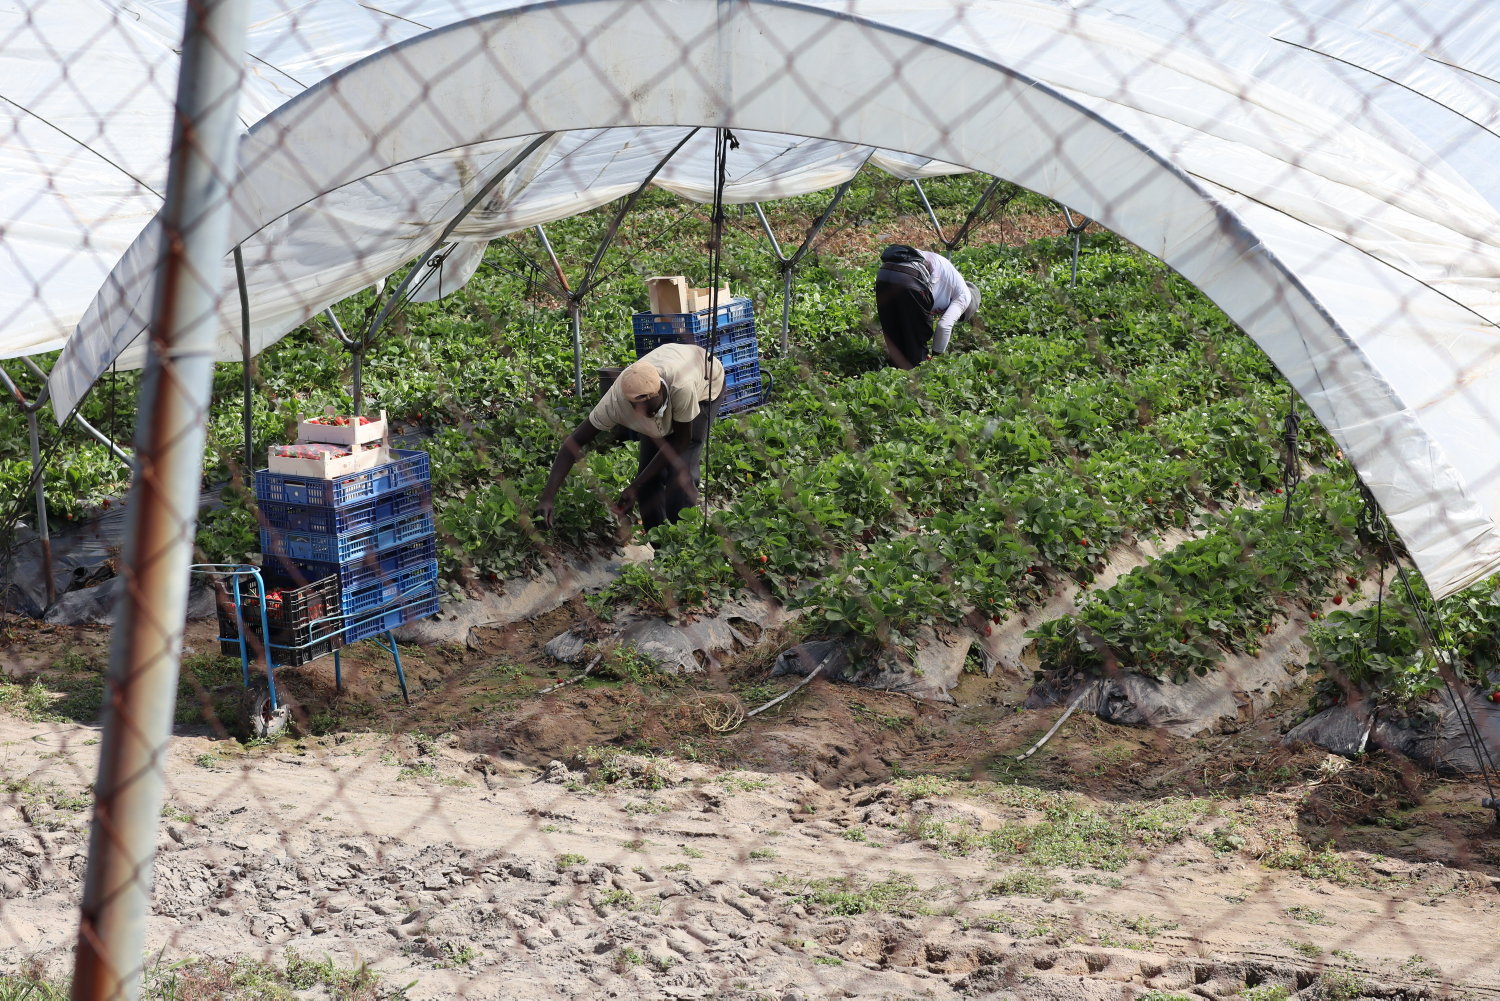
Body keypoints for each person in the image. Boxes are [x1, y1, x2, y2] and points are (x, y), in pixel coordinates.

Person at [535, 342, 725, 531]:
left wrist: (634, 486)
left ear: (660, 391)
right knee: (648, 481)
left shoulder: (682, 387)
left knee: (680, 476)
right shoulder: (615, 402)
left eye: (653, 410)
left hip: (705, 381)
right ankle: (659, 543)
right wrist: (547, 498)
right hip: (670, 368)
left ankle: (682, 539)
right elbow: (573, 444)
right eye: (641, 411)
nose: (648, 414)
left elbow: (681, 441)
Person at [873, 244, 980, 368]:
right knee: (918, 335)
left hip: (884, 274)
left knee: (893, 330)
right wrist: (936, 358)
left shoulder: (951, 283)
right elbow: (944, 326)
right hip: (909, 277)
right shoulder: (965, 296)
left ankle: (896, 369)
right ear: (968, 309)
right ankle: (916, 372)